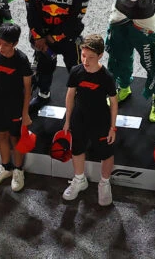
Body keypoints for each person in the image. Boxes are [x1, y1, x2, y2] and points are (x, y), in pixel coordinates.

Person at [25, 0, 89, 113]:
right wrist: (38, 36)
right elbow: (31, 8)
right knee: (44, 68)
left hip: (67, 37)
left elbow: (77, 16)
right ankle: (43, 94)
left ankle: (80, 99)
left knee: (76, 70)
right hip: (42, 36)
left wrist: (54, 37)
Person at [62, 34, 118, 206]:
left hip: (101, 120)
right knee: (77, 149)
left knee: (106, 153)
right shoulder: (76, 71)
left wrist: (112, 127)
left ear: (100, 55)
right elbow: (70, 96)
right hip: (79, 118)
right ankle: (79, 180)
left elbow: (114, 103)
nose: (85, 61)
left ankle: (104, 183)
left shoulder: (107, 77)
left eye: (90, 57)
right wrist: (67, 120)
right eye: (83, 55)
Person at [0, 23, 32, 192]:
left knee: (15, 138)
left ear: (15, 43)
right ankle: (6, 167)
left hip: (16, 106)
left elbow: (28, 88)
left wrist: (25, 113)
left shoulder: (22, 60)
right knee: (2, 135)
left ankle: (18, 170)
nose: (1, 48)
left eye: (5, 44)